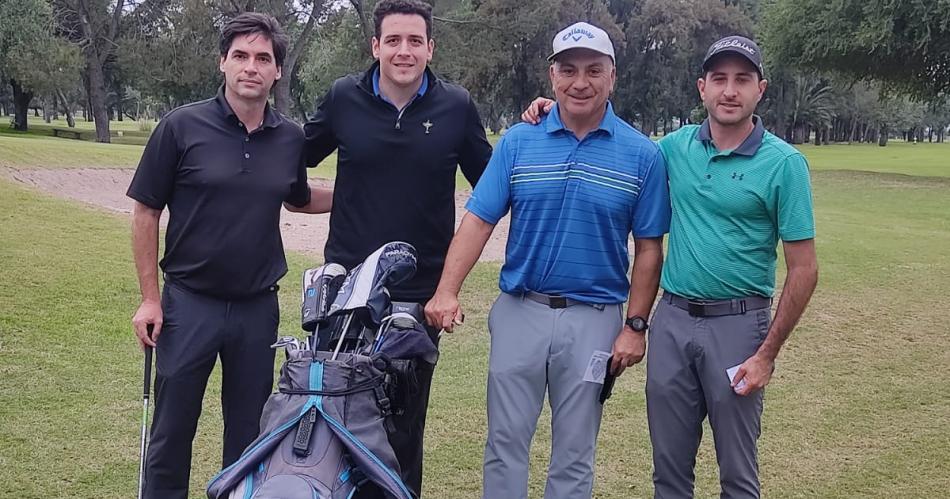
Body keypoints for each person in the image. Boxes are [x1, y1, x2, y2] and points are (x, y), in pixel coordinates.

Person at [523, 35, 819, 498]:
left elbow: (804, 269)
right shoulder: (671, 150)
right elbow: (608, 136)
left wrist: (767, 354)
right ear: (702, 87)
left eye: (742, 80)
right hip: (672, 324)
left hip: (739, 326)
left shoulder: (784, 164)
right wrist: (549, 109)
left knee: (738, 474)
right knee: (668, 470)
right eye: (719, 79)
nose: (729, 91)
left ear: (761, 89)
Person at [425, 21, 671, 499]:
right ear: (552, 75)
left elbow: (648, 248)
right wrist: (446, 290)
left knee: (575, 454)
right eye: (569, 70)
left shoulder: (643, 155)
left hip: (595, 320)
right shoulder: (519, 141)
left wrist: (635, 326)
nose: (580, 82)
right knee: (504, 444)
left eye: (593, 70)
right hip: (521, 312)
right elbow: (479, 220)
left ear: (612, 77)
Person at [291, 0, 492, 495]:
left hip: (420, 298)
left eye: (415, 41)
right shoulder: (343, 98)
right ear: (375, 45)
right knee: (338, 415)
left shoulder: (456, 106)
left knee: (403, 425)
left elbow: (492, 187)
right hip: (344, 296)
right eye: (394, 40)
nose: (405, 51)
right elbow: (290, 158)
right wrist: (313, 198)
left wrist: (537, 120)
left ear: (430, 48)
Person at [127, 13, 330, 499]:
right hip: (187, 306)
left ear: (278, 70)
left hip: (256, 309)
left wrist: (359, 193)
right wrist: (150, 300)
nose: (251, 67)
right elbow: (146, 212)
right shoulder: (181, 126)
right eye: (240, 56)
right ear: (223, 62)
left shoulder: (290, 138)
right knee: (172, 432)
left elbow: (296, 197)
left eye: (263, 58)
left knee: (249, 437)